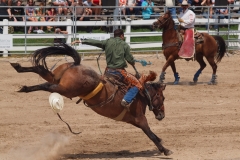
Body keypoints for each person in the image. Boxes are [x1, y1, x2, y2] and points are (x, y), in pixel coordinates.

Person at [71, 29, 142, 109]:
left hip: (108, 71)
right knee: (137, 84)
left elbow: (95, 42)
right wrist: (133, 62)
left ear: (114, 35)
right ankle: (126, 100)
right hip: (119, 72)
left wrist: (81, 41)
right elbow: (130, 59)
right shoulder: (124, 45)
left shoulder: (107, 42)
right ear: (122, 36)